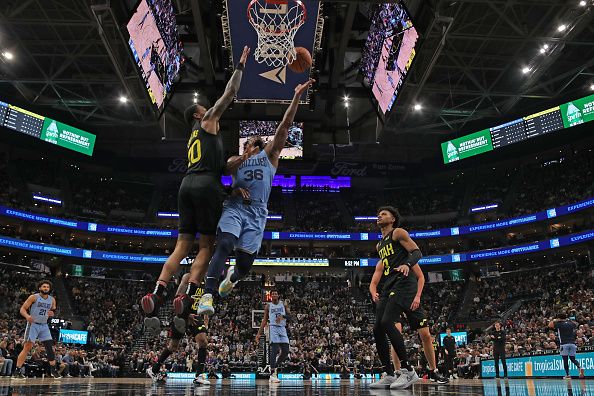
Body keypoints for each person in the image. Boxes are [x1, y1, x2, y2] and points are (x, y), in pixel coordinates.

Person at [141, 46, 252, 335]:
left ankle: (158, 291)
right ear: (198, 115)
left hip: (186, 185)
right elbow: (229, 95)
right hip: (205, 186)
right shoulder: (207, 122)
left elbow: (224, 167)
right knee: (206, 246)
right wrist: (240, 66)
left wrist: (242, 159)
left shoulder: (196, 139)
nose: (208, 108)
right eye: (204, 108)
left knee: (181, 245)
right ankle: (187, 295)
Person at [196, 79, 314, 315]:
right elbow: (224, 173)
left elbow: (285, 124)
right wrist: (241, 162)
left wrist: (297, 96)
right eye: (248, 143)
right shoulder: (235, 159)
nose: (251, 143)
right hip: (235, 207)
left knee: (244, 266)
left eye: (255, 143)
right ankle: (207, 295)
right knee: (225, 244)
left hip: (258, 212)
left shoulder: (270, 157)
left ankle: (233, 277)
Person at [369, 206, 445, 389]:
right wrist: (374, 291)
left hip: (404, 283)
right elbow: (377, 277)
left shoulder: (398, 233)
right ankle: (388, 373)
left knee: (390, 323)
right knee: (377, 328)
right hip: (389, 285)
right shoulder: (379, 245)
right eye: (378, 214)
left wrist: (407, 264)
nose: (379, 216)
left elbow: (417, 252)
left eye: (384, 214)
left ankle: (408, 369)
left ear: (393, 219)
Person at [146, 273, 210, 385]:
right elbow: (177, 299)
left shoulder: (206, 280)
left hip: (196, 315)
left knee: (203, 341)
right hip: (183, 315)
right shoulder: (188, 277)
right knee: (173, 346)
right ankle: (154, 369)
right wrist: (186, 315)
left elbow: (206, 301)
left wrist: (206, 317)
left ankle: (199, 375)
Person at [14, 280, 61, 379]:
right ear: (40, 288)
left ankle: (53, 370)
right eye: (44, 287)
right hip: (33, 324)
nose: (46, 288)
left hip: (44, 325)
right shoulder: (34, 297)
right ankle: (17, 371)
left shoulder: (52, 299)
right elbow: (22, 309)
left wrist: (52, 313)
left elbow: (53, 310)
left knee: (49, 347)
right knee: (27, 347)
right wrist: (27, 316)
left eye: (47, 287)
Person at [255, 289, 290, 384]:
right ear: (271, 296)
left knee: (286, 351)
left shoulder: (284, 304)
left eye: (276, 293)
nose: (274, 295)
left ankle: (275, 366)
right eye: (273, 294)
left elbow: (290, 316)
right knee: (274, 350)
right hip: (273, 327)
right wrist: (259, 333)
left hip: (282, 328)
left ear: (278, 295)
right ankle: (273, 374)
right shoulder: (268, 306)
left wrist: (282, 316)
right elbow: (264, 320)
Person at [549, 313, 586, 379]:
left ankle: (568, 374)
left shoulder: (559, 323)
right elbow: (576, 324)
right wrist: (568, 320)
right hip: (572, 343)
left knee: (565, 360)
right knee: (573, 359)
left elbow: (550, 325)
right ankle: (580, 367)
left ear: (559, 318)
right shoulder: (570, 323)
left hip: (564, 344)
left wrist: (554, 320)